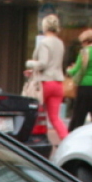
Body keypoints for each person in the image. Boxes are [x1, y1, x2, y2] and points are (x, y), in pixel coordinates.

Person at [25, 14, 67, 144]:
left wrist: (29, 63)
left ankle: (32, 141)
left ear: (44, 27)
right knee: (55, 118)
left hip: (44, 84)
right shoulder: (60, 43)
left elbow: (43, 63)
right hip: (58, 83)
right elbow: (53, 63)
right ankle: (66, 140)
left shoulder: (44, 43)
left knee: (34, 114)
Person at [66, 28, 92, 132]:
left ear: (86, 41)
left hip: (85, 86)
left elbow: (76, 70)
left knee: (79, 116)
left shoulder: (85, 52)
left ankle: (72, 136)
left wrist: (69, 70)